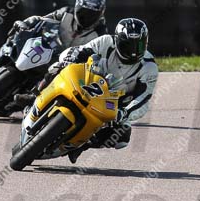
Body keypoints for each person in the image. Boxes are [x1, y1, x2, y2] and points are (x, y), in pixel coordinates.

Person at [33, 18, 158, 163]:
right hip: (87, 81)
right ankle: (33, 95)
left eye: (139, 45)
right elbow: (81, 50)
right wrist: (70, 58)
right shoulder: (106, 42)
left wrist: (125, 113)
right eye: (127, 45)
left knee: (122, 135)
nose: (133, 52)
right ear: (117, 40)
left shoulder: (149, 67)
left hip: (113, 103)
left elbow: (143, 98)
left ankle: (82, 145)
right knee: (58, 67)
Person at [9, 0, 107, 48]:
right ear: (76, 7)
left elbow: (100, 54)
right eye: (83, 12)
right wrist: (26, 23)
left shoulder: (100, 33)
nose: (86, 17)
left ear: (100, 16)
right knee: (13, 44)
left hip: (66, 67)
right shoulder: (66, 12)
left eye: (92, 15)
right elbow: (42, 20)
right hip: (49, 49)